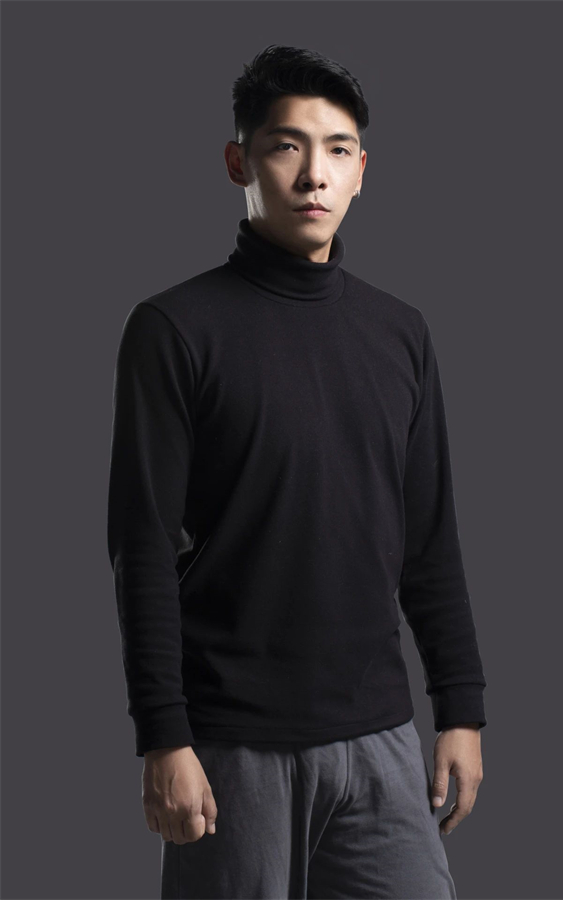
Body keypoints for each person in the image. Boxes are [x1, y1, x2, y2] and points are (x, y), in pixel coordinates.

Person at [107, 43, 487, 900]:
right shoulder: (174, 329)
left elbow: (430, 540)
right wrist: (163, 736)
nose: (314, 174)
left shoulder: (401, 333)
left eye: (338, 149)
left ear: (361, 171)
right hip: (233, 747)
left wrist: (460, 708)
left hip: (381, 737)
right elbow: (142, 549)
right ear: (238, 161)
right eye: (286, 146)